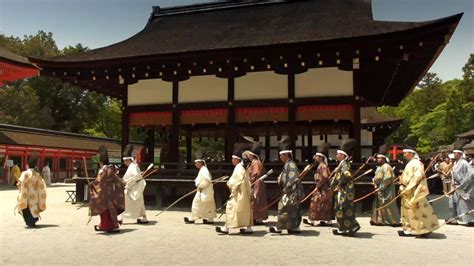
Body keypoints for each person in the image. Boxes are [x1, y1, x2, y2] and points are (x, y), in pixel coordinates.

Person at [398, 148, 439, 237]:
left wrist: (408, 187)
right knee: (408, 211)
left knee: (419, 210)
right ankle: (409, 229)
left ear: (412, 154)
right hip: (406, 190)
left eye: (406, 153)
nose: (404, 155)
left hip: (413, 190)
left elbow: (417, 177)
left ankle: (424, 229)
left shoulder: (417, 163)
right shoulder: (410, 163)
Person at [89, 146, 125, 233]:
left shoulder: (102, 171)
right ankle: (113, 225)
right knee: (111, 209)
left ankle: (106, 226)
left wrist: (92, 184)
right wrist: (122, 185)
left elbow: (99, 181)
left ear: (101, 162)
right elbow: (118, 181)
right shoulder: (110, 169)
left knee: (104, 209)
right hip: (110, 192)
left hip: (103, 193)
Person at [216, 153, 253, 234]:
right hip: (241, 192)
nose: (232, 161)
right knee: (244, 209)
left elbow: (240, 181)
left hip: (239, 192)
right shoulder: (239, 167)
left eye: (233, 159)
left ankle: (226, 228)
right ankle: (248, 227)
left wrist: (232, 186)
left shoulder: (239, 168)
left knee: (230, 208)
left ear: (237, 160)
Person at [269, 150, 303, 234]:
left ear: (286, 155)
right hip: (289, 190)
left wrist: (287, 187)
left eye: (281, 155)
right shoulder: (288, 164)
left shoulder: (291, 164)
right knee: (290, 209)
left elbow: (292, 178)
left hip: (291, 191)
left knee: (286, 208)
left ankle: (283, 227)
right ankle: (293, 227)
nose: (280, 157)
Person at [331, 149, 361, 236]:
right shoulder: (342, 164)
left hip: (345, 189)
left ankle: (353, 226)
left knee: (345, 208)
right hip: (342, 189)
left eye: (338, 154)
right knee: (339, 208)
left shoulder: (345, 164)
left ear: (343, 156)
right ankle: (343, 228)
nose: (336, 155)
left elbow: (347, 175)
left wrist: (339, 185)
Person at [118, 145, 148, 225]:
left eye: (124, 161)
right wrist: (123, 181)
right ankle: (144, 217)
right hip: (134, 188)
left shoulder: (133, 167)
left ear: (128, 160)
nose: (124, 163)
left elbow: (135, 178)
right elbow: (130, 178)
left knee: (123, 200)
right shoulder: (132, 166)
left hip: (134, 189)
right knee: (140, 203)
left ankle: (120, 218)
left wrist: (127, 183)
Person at [16, 154, 47, 228]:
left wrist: (19, 186)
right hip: (35, 194)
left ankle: (28, 221)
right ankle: (33, 221)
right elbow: (42, 185)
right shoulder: (37, 174)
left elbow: (20, 183)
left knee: (26, 207)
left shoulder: (25, 173)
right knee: (34, 207)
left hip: (26, 193)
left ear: (27, 165)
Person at [303, 152, 334, 226]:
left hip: (323, 187)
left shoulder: (322, 166)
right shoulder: (322, 165)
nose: (315, 157)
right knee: (325, 203)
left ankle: (312, 220)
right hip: (324, 187)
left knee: (316, 202)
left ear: (320, 157)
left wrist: (318, 183)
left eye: (317, 156)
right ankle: (325, 220)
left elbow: (325, 177)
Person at [370, 154, 401, 226]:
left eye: (379, 158)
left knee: (387, 204)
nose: (377, 159)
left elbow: (388, 178)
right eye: (377, 158)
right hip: (379, 188)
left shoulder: (387, 167)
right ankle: (379, 220)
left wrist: (381, 187)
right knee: (378, 204)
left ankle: (393, 221)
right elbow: (376, 177)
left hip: (386, 189)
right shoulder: (379, 167)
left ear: (383, 159)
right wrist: (374, 183)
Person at [184, 159, 217, 224]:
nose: (195, 164)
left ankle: (194, 218)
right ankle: (206, 218)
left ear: (200, 163)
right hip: (203, 190)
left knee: (198, 203)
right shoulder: (202, 170)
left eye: (197, 163)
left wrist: (201, 186)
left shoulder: (204, 170)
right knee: (204, 205)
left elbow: (207, 180)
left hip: (204, 190)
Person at [448, 149, 474, 226]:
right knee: (452, 202)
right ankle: (453, 218)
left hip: (462, 185)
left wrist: (462, 183)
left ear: (459, 154)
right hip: (455, 185)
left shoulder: (464, 162)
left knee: (464, 203)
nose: (454, 154)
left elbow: (471, 173)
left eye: (455, 153)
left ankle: (471, 220)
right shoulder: (455, 163)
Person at [243, 150, 268, 225]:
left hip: (256, 184)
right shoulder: (252, 163)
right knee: (255, 201)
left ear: (252, 155)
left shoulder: (256, 162)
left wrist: (250, 181)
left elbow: (255, 174)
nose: (248, 156)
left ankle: (256, 218)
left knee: (256, 201)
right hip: (255, 183)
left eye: (249, 155)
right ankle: (254, 217)